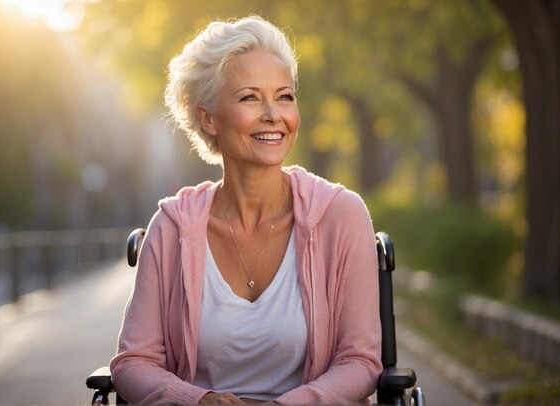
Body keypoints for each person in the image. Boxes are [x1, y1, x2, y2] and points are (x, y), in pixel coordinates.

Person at [110, 15, 382, 405]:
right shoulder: (172, 227)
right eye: (250, 97)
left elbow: (360, 361)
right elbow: (133, 362)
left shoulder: (341, 214)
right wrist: (198, 400)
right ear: (208, 118)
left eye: (285, 96)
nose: (274, 114)